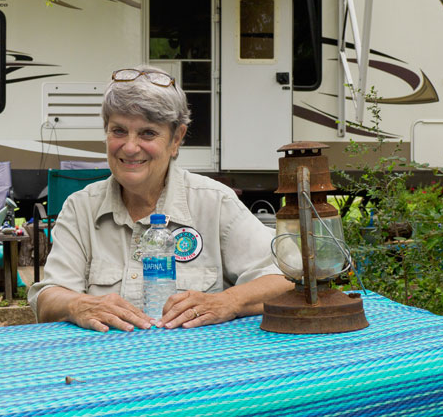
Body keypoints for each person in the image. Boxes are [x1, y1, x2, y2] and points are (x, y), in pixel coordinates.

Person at [28, 66, 292, 332]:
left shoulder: (214, 203)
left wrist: (228, 301)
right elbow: (48, 298)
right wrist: (78, 305)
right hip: (103, 368)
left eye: (148, 133)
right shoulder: (81, 208)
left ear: (176, 139)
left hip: (196, 367)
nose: (130, 147)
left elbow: (286, 278)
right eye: (118, 131)